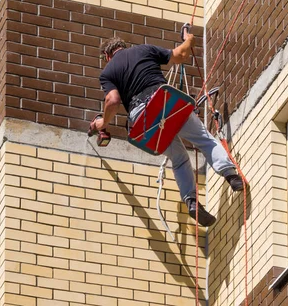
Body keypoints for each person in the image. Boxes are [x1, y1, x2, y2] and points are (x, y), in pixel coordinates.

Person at [93, 34, 244, 227]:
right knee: (203, 139)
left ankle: (191, 201)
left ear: (107, 56)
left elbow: (112, 101)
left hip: (142, 118)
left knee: (179, 158)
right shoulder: (143, 49)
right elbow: (181, 54)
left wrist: (102, 123)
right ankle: (230, 175)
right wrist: (189, 39)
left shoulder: (107, 72)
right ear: (123, 46)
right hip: (163, 100)